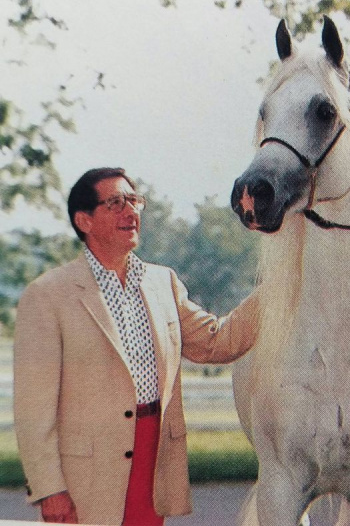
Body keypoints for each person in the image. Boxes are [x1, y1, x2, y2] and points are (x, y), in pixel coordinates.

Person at [13, 167, 258, 525]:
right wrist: (50, 489)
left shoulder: (163, 283)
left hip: (154, 461)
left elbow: (215, 342)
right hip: (86, 478)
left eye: (134, 201)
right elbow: (34, 411)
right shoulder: (48, 296)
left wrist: (276, 290)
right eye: (115, 203)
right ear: (85, 220)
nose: (131, 212)